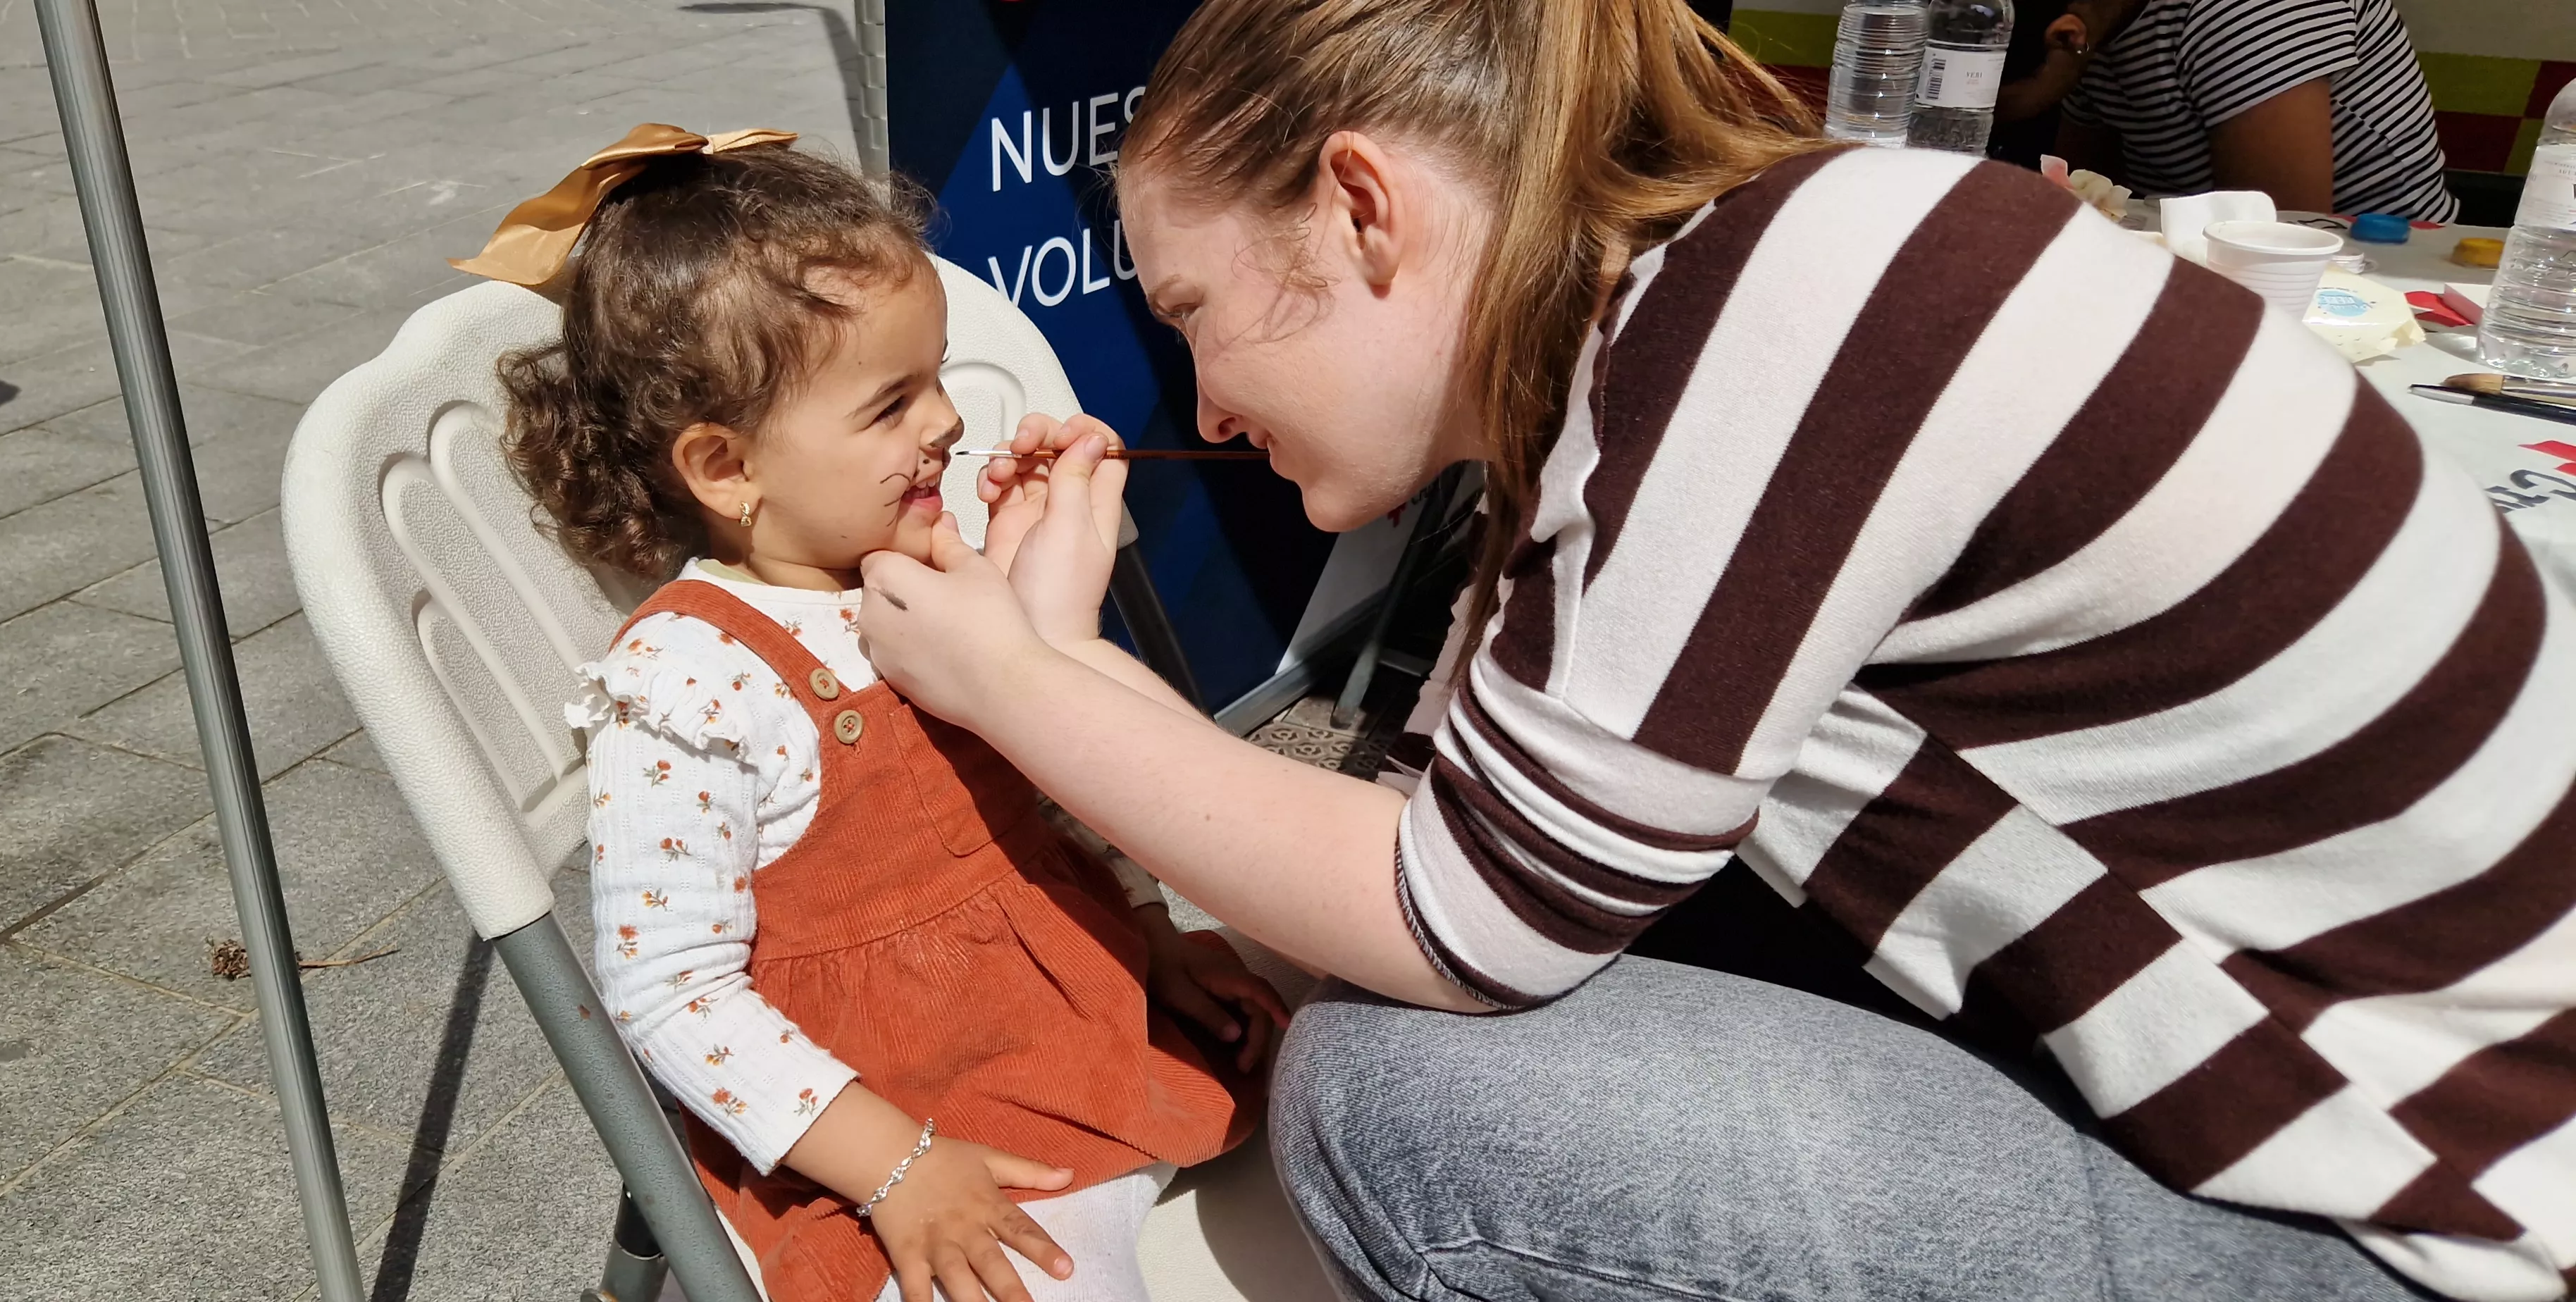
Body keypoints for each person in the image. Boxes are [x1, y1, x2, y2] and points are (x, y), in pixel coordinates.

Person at [849, 1, 2576, 1299]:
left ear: (1362, 208)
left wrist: (1016, 682)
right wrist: (1057, 651)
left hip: (2436, 1200)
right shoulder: (1684, 314)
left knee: (1398, 1104)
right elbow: (1444, 824)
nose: (1207, 405)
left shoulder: (1784, 313)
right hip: (2363, 1082)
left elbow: (1456, 927)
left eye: (1193, 317)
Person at [462, 126, 1286, 1302]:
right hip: (898, 1115)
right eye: (892, 401)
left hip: (1072, 1018)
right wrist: (894, 1165)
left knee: (1331, 1074)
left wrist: (1147, 926)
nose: (944, 420)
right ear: (727, 467)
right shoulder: (690, 681)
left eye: (937, 376)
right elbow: (669, 990)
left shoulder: (929, 574)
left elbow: (1050, 782)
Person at [2021, 0, 2456, 220]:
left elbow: (2272, 234)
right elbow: (2077, 205)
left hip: (2377, 287)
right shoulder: (2089, 32)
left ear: (2067, 38)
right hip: (2197, 255)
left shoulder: (2253, 13)